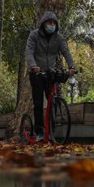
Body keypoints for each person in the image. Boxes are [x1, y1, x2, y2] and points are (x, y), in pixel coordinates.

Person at [25, 10, 76, 141]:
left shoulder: (59, 38)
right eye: (49, 22)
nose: (51, 25)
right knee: (38, 103)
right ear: (43, 24)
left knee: (53, 101)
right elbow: (29, 52)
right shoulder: (34, 35)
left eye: (54, 23)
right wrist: (33, 66)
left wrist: (72, 66)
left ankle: (51, 130)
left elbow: (66, 51)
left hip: (50, 73)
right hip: (37, 73)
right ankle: (39, 131)